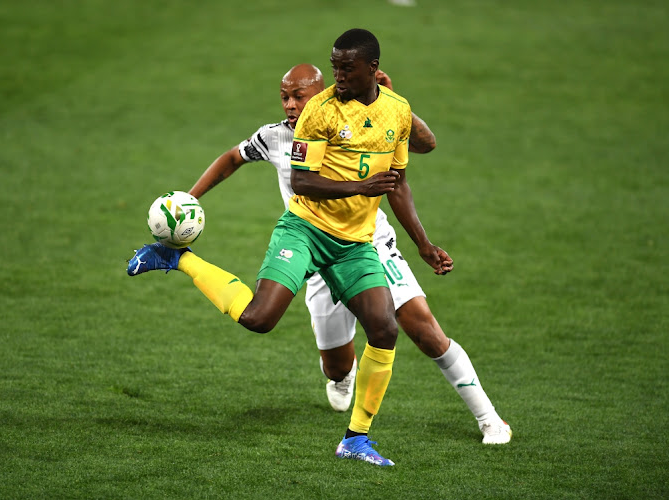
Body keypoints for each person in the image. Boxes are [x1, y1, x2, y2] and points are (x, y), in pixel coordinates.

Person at [130, 28, 444, 466]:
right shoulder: (318, 112)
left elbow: (401, 182)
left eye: (345, 68)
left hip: (354, 243)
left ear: (372, 69)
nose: (337, 76)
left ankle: (355, 440)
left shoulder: (396, 110)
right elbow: (301, 182)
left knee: (385, 329)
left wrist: (425, 246)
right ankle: (178, 258)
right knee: (259, 319)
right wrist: (361, 184)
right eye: (333, 67)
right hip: (304, 229)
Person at [185, 62, 512, 446]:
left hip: (366, 241)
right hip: (314, 249)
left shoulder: (357, 121)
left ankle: (490, 418)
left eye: (298, 96)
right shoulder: (274, 137)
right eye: (284, 97)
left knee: (421, 328)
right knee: (336, 367)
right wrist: (189, 200)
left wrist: (392, 101)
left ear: (321, 92)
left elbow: (425, 144)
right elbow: (233, 157)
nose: (290, 105)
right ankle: (345, 374)